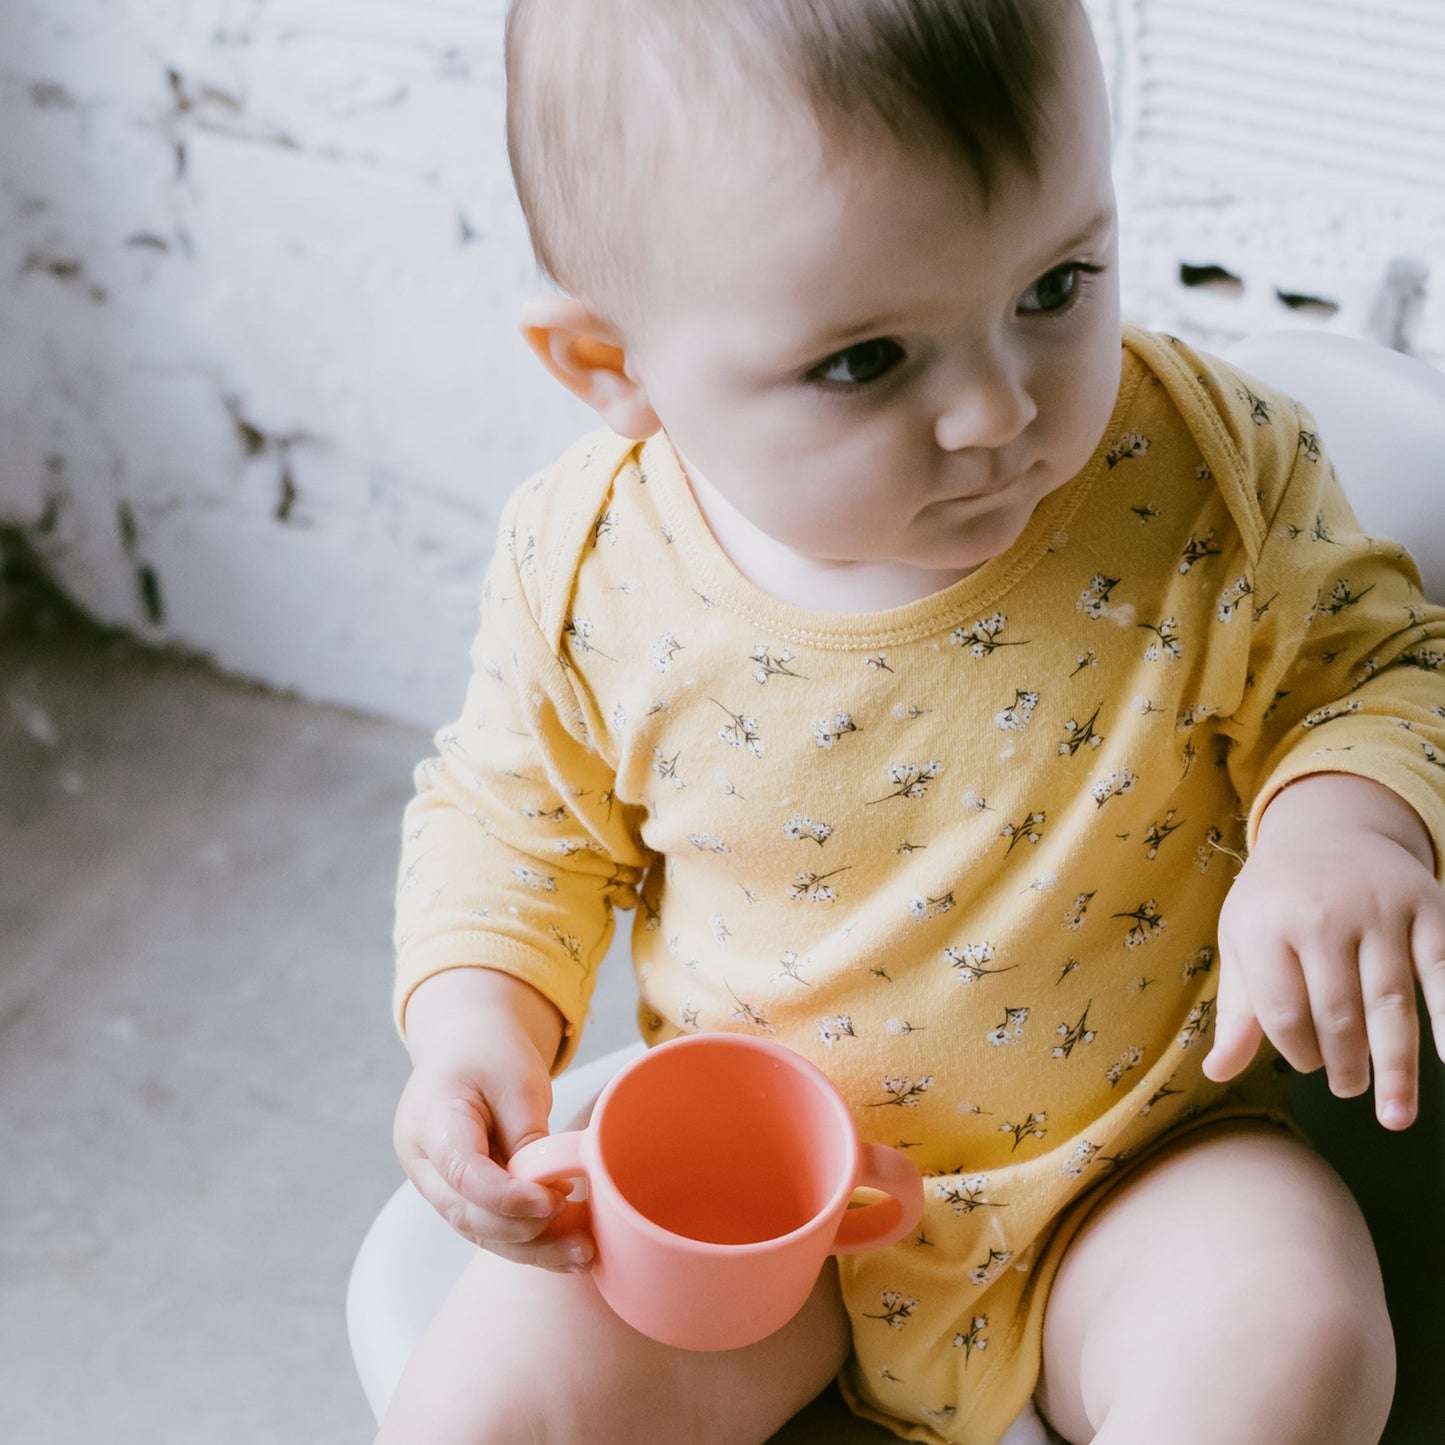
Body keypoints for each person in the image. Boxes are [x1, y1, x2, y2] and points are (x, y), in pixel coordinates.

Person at [378, 2, 1445, 1441]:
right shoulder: (594, 573)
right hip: (756, 1193)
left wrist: (1338, 823)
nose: (996, 410)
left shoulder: (1205, 475)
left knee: (1290, 1341)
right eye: (866, 361)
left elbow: (1374, 662)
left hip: (1143, 1163)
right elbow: (512, 823)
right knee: (485, 1406)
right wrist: (472, 1029)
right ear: (608, 368)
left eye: (1057, 283)